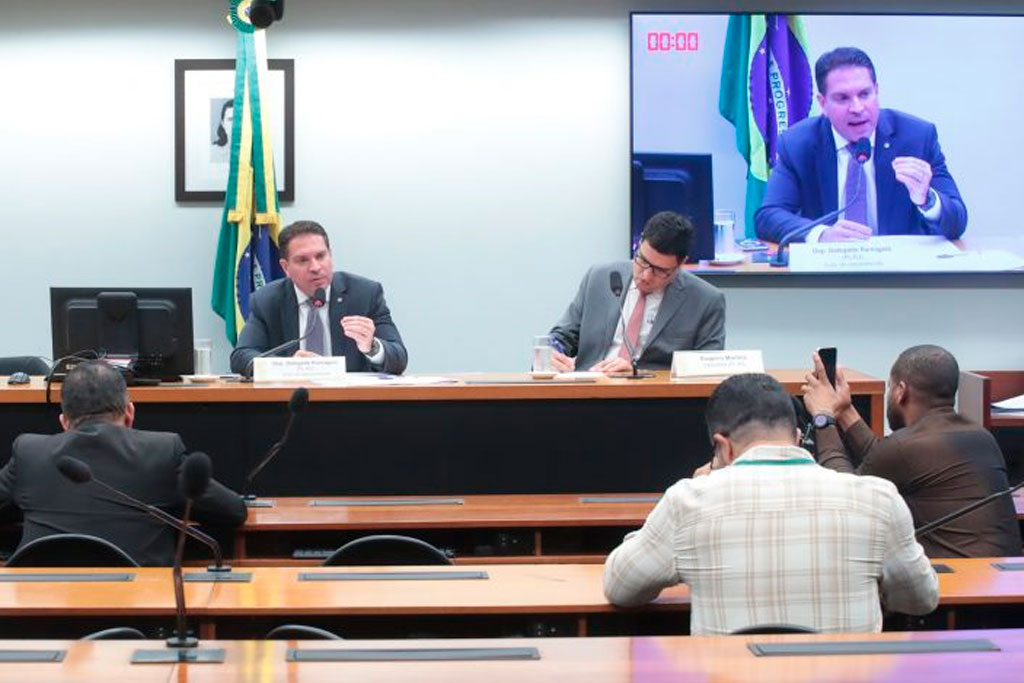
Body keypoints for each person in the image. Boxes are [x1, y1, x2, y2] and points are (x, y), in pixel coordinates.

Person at [603, 373, 937, 635]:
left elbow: (621, 587)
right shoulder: (877, 498)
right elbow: (921, 600)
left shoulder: (689, 501)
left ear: (723, 446)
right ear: (796, 436)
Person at [0, 361, 247, 566]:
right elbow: (232, 511)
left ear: (64, 422)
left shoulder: (29, 453)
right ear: (129, 413)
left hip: (40, 615)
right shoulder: (161, 451)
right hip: (138, 618)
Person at [802, 345, 1022, 558]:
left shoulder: (906, 447)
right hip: (999, 580)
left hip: (955, 583)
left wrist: (823, 418)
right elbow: (885, 457)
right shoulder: (981, 436)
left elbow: (844, 493)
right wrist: (845, 411)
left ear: (901, 391)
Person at [754, 47, 967, 244]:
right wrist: (822, 234)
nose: (857, 108)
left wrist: (927, 199)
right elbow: (768, 217)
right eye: (842, 98)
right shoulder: (798, 144)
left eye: (865, 94)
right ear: (823, 104)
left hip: (899, 276)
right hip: (829, 274)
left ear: (877, 91)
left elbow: (957, 221)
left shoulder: (917, 138)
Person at [548, 211, 725, 374]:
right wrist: (552, 352)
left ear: (681, 265)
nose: (646, 276)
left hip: (655, 401)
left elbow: (708, 371)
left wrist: (637, 373)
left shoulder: (706, 300)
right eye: (642, 261)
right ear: (639, 244)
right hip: (589, 391)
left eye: (660, 271)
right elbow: (562, 336)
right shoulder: (599, 278)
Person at [230, 220, 408, 375]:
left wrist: (372, 346)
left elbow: (399, 358)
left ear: (330, 255)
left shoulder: (365, 294)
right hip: (290, 404)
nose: (315, 267)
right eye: (303, 260)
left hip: (351, 405)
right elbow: (241, 357)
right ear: (286, 268)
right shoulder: (267, 300)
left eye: (320, 256)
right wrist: (287, 367)